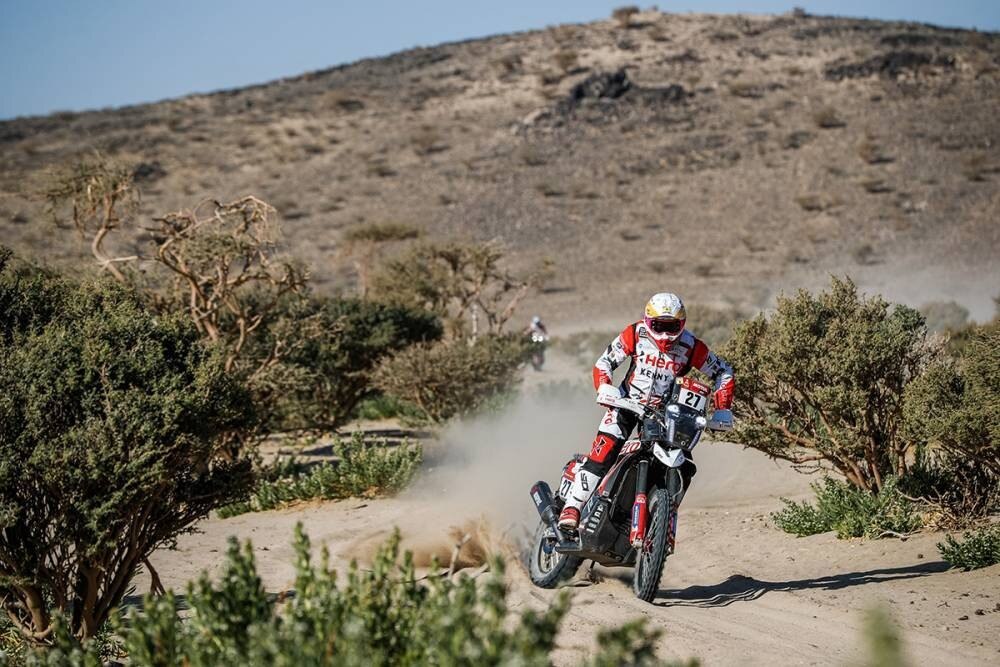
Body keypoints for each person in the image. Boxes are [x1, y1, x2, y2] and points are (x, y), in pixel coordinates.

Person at [557, 292, 735, 531]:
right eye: (658, 326)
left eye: (671, 327)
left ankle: (657, 519)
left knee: (680, 462)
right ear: (648, 321)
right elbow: (604, 363)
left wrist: (723, 409)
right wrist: (605, 387)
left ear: (681, 324)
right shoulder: (635, 333)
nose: (664, 334)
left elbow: (723, 371)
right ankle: (573, 507)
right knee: (605, 450)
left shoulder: (692, 346)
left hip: (664, 415)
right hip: (626, 404)